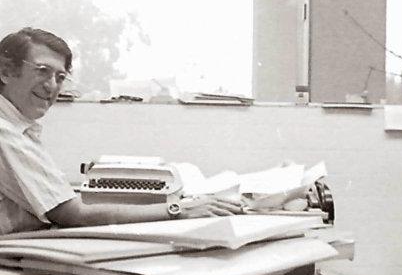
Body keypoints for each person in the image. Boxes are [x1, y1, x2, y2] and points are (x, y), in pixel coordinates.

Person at [0, 27, 241, 235]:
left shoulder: (18, 128)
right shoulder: (6, 132)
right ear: (6, 72)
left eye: (60, 77)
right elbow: (72, 214)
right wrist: (177, 209)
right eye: (42, 70)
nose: (51, 86)